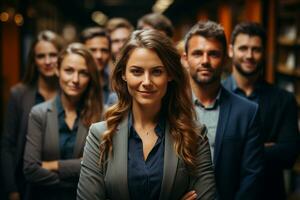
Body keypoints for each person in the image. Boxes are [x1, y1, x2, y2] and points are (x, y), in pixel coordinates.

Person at [77, 29, 216, 200]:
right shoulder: (100, 135)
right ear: (123, 74)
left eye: (157, 72)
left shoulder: (194, 134)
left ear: (170, 75)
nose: (147, 82)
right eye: (137, 71)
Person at [183, 20, 264, 200]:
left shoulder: (247, 112)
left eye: (213, 54)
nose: (205, 61)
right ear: (185, 59)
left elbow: (252, 175)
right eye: (197, 53)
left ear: (225, 59)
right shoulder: (169, 107)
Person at [223, 22, 300, 200]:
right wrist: (263, 148)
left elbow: (288, 154)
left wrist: (234, 148)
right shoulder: (216, 95)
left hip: (269, 194)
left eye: (256, 49)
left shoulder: (284, 100)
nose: (249, 55)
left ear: (264, 53)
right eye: (243, 48)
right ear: (231, 50)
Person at [23, 43, 103, 200]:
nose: (75, 79)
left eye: (83, 73)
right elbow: (31, 170)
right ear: (57, 70)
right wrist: (80, 174)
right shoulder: (40, 113)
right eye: (69, 71)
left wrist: (54, 165)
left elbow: (102, 167)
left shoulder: (102, 115)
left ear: (90, 77)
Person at [1, 30, 64, 200]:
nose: (48, 61)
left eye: (53, 55)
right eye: (41, 56)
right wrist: (11, 189)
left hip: (61, 180)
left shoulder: (70, 92)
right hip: (26, 184)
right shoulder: (19, 94)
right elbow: (8, 144)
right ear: (33, 61)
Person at [79, 27, 111, 104]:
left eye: (104, 50)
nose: (99, 56)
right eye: (92, 50)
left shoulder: (116, 86)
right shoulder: (74, 83)